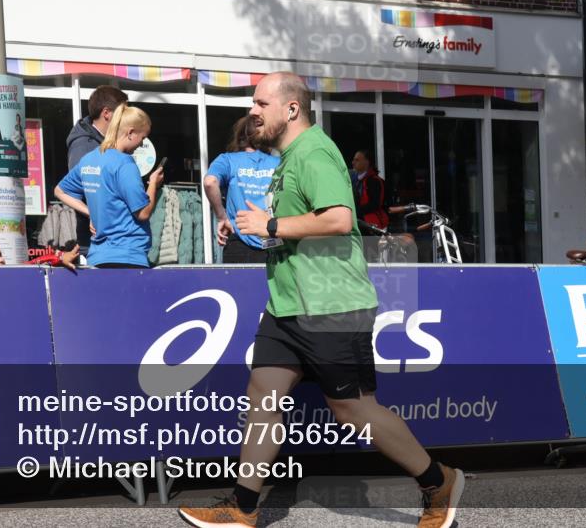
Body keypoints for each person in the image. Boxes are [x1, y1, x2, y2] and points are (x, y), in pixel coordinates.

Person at [178, 73, 464, 528]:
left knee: (353, 410)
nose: (253, 111)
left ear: (291, 109)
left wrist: (270, 227)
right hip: (287, 303)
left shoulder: (314, 152)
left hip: (332, 304)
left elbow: (337, 219)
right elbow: (299, 222)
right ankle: (243, 507)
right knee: (263, 396)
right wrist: (262, 226)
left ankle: (437, 481)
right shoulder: (289, 157)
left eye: (260, 103)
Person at [55, 104, 163, 268]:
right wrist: (153, 183)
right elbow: (143, 212)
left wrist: (92, 212)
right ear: (131, 132)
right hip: (129, 256)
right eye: (143, 138)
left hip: (98, 256)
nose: (141, 145)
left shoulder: (89, 159)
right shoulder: (124, 163)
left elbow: (60, 191)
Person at [204, 115, 280, 263]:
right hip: (274, 240)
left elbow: (210, 182)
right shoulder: (280, 163)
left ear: (240, 137)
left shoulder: (228, 160)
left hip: (239, 242)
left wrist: (222, 217)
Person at [66, 85, 129, 252]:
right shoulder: (84, 145)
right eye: (123, 113)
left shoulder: (105, 142)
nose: (126, 119)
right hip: (97, 239)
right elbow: (73, 189)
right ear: (106, 113)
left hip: (111, 236)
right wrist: (92, 213)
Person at [0, 234, 80, 269]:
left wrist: (59, 258)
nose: (1, 259)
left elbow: (35, 263)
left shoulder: (11, 273)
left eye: (0, 255)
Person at [351, 148, 389, 231]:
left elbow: (375, 204)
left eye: (357, 160)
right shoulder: (355, 180)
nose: (353, 163)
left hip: (371, 225)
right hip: (359, 222)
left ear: (367, 162)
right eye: (353, 160)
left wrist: (354, 211)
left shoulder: (374, 181)